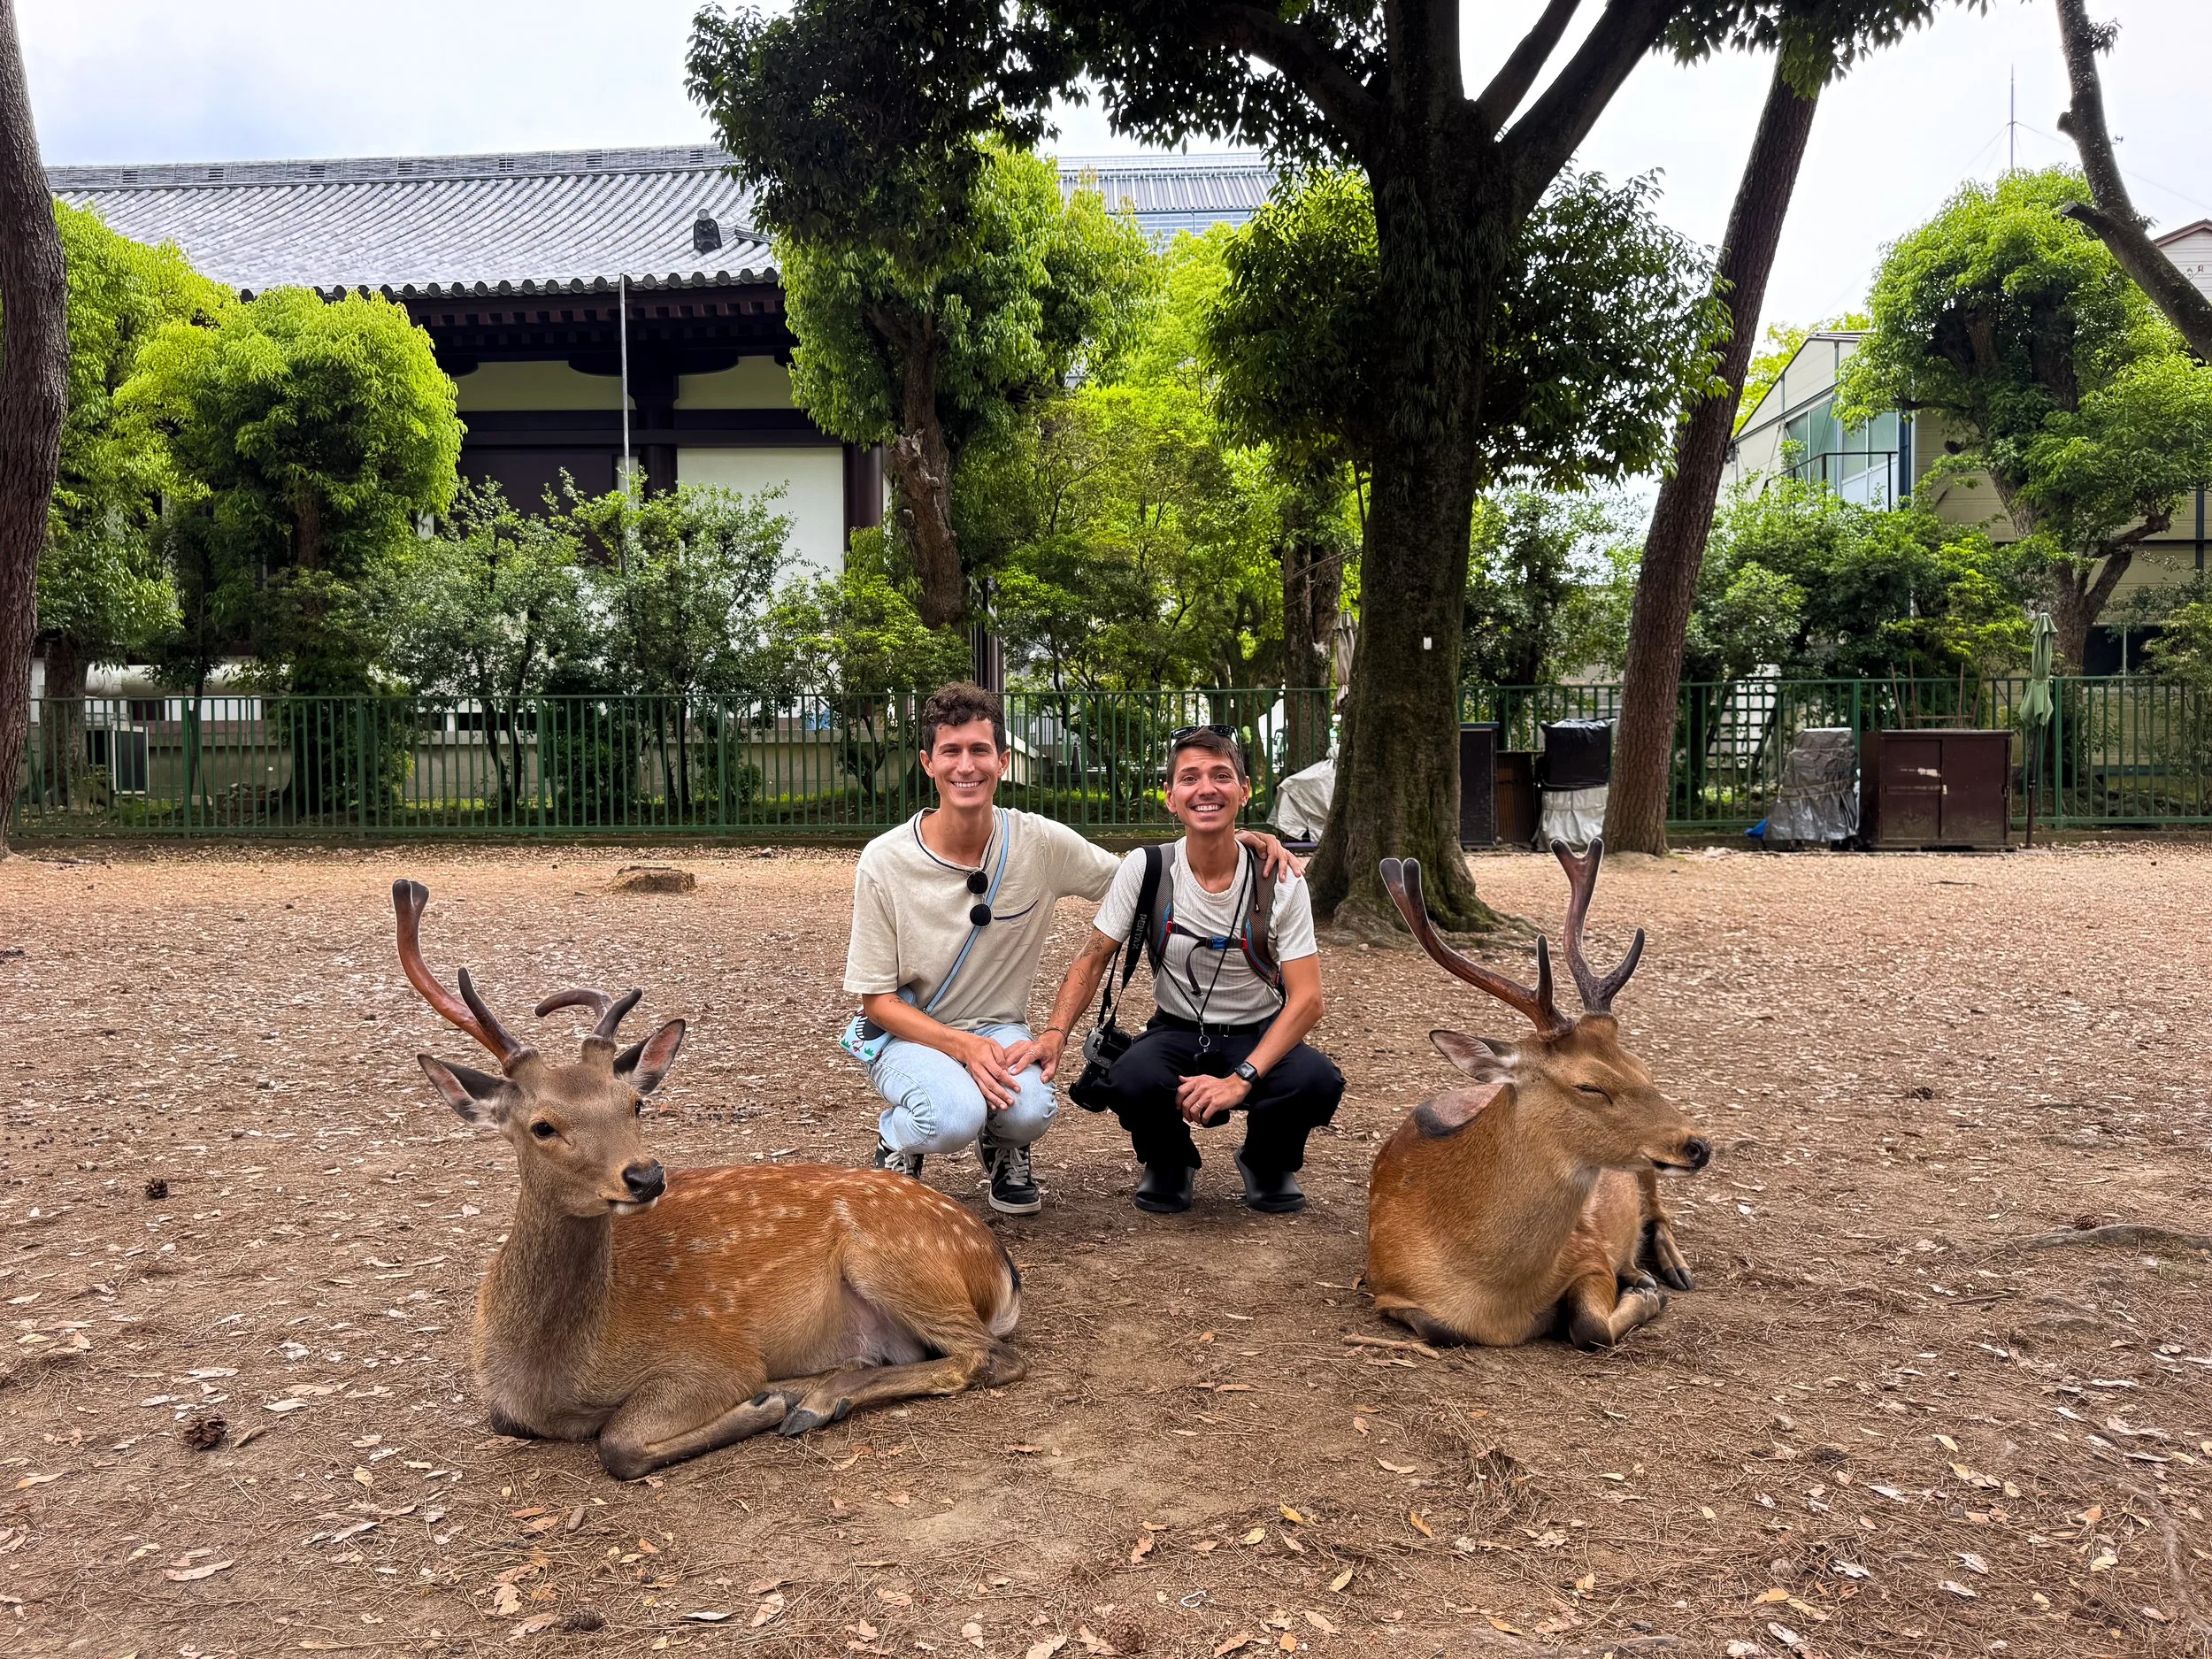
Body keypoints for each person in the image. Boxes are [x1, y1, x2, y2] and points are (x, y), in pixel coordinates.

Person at [841, 684, 1300, 1216]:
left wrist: (1234, 839)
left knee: (1032, 1111)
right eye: (951, 751)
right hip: (911, 1032)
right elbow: (878, 1002)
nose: (966, 766)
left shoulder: (1039, 843)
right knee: (949, 1117)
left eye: (980, 750)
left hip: (997, 1028)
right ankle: (900, 1139)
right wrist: (960, 1048)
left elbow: (1143, 876)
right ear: (928, 762)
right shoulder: (884, 860)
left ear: (1003, 760)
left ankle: (1006, 1144)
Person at [1041, 726, 1342, 1215]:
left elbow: (1308, 1000)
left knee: (1315, 1079)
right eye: (1190, 778)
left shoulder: (1280, 879)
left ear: (1244, 791)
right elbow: (1093, 956)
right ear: (1171, 798)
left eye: (1222, 776)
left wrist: (1240, 1077)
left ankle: (1268, 1161)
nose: (1206, 789)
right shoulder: (1147, 869)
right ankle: (1168, 1160)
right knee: (1132, 1076)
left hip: (1258, 1032)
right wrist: (1055, 1033)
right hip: (1178, 1031)